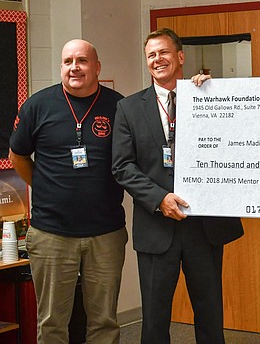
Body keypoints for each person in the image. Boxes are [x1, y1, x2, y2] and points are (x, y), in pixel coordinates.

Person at [111, 28, 244, 344]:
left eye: (164, 52)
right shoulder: (128, 109)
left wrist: (214, 93)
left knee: (210, 316)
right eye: (151, 55)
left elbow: (235, 141)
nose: (158, 59)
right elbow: (122, 167)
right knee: (154, 322)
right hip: (157, 227)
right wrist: (159, 199)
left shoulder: (208, 98)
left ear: (181, 56)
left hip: (204, 227)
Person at [9, 39, 127, 344]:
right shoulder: (38, 105)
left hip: (106, 233)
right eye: (67, 61)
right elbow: (18, 157)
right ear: (61, 66)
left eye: (82, 61)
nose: (74, 67)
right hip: (51, 234)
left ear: (97, 67)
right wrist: (47, 187)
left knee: (104, 322)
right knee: (51, 323)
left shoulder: (119, 106)